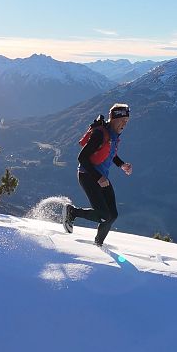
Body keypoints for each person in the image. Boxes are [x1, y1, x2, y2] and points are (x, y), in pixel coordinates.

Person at [62, 103, 133, 246]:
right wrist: (98, 177)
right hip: (88, 176)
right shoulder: (100, 134)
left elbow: (110, 154)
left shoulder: (113, 135)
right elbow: (82, 158)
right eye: (123, 120)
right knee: (103, 215)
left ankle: (98, 244)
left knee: (112, 215)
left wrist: (122, 165)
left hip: (101, 177)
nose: (125, 124)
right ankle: (72, 212)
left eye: (127, 121)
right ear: (113, 119)